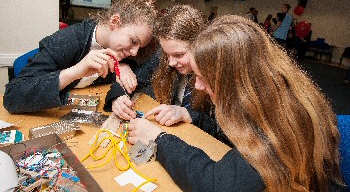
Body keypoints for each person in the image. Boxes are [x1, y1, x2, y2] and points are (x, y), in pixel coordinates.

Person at [127, 15, 346, 191]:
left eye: (205, 77)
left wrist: (159, 139)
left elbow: (217, 185)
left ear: (234, 79)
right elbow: (233, 137)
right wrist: (191, 116)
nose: (200, 86)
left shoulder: (276, 122)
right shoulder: (270, 95)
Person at [4, 0, 158, 113]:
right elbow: (12, 97)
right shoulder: (66, 41)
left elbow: (139, 79)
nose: (134, 52)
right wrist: (76, 71)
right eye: (133, 41)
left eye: (140, 46)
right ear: (114, 22)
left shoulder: (123, 53)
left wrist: (122, 70)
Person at [111, 4, 229, 144]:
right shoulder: (165, 58)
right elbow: (134, 79)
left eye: (179, 55)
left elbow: (225, 134)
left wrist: (188, 114)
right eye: (167, 54)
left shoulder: (220, 77)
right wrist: (118, 97)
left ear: (202, 46)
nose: (171, 62)